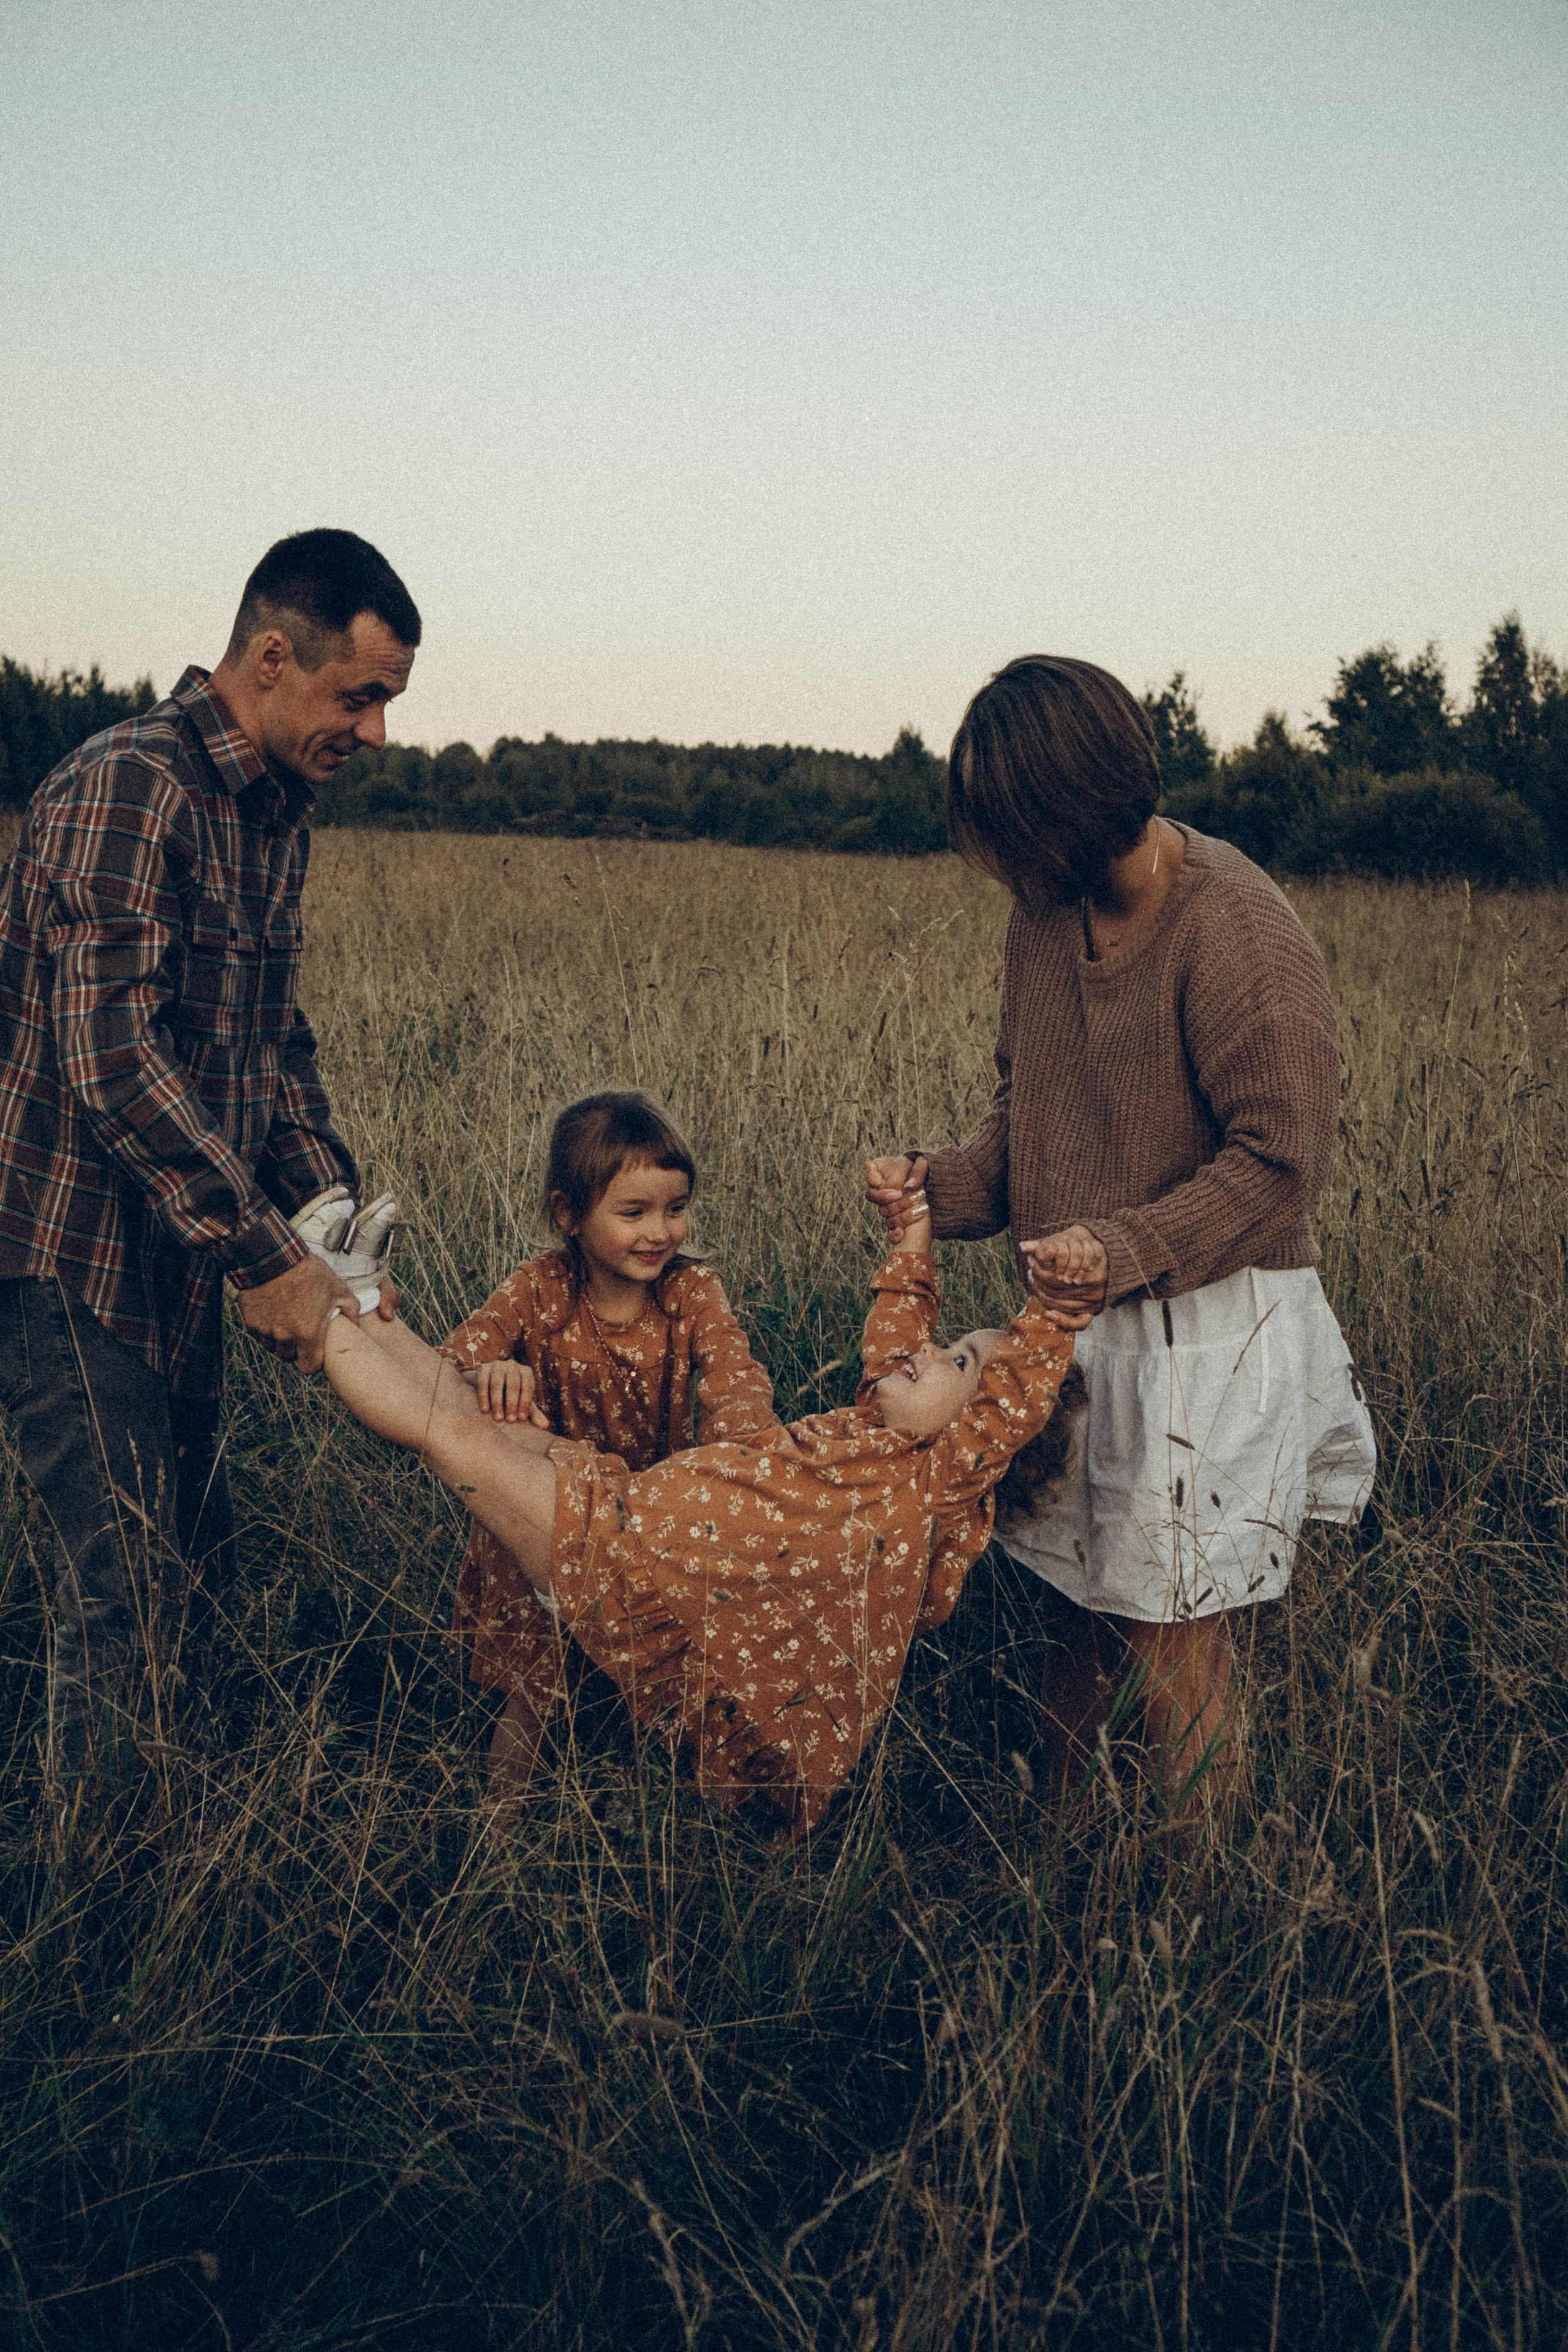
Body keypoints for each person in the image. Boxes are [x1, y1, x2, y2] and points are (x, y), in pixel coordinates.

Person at [867, 654, 1376, 1812]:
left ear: (1068, 813)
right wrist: (934, 1192)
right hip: (1079, 1322)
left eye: (1006, 828)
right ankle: (1064, 1853)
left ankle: (1203, 1908)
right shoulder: (1044, 918)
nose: (994, 860)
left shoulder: (1235, 927)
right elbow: (1031, 1107)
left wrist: (1126, 1249)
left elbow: (1281, 1163)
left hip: (1208, 1330)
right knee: (1070, 1605)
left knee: (1170, 1635)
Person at [0, 528, 419, 1774]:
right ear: (274, 658)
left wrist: (326, 1214)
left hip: (176, 1253)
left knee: (192, 1559)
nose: (378, 733)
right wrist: (260, 1257)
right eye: (363, 696)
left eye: (388, 702)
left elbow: (266, 1040)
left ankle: (173, 1834)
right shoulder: (132, 787)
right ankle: (99, 1921)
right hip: (69, 1255)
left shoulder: (275, 812)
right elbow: (113, 1059)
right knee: (123, 1588)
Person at [312, 1179, 1075, 1834]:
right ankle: (361, 1291)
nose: (930, 1352)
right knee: (479, 1425)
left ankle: (313, 1309)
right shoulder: (881, 1429)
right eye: (949, 1344)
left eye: (959, 1362)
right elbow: (899, 1332)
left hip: (631, 1567)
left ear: (988, 1436)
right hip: (625, 1509)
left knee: (449, 1436)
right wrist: (911, 1230)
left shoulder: (933, 1482)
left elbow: (1014, 1394)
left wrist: (1057, 1311)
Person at [439, 1088, 775, 1797]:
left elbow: (734, 1380)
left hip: (642, 1512)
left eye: (675, 1209)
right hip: (539, 1508)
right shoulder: (538, 1290)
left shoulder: (691, 1294)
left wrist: (748, 1457)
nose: (660, 1232)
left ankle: (656, 1807)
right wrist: (488, 1371)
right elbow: (447, 1366)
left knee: (664, 1667)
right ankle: (500, 1828)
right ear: (569, 1215)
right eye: (633, 1213)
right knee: (533, 1680)